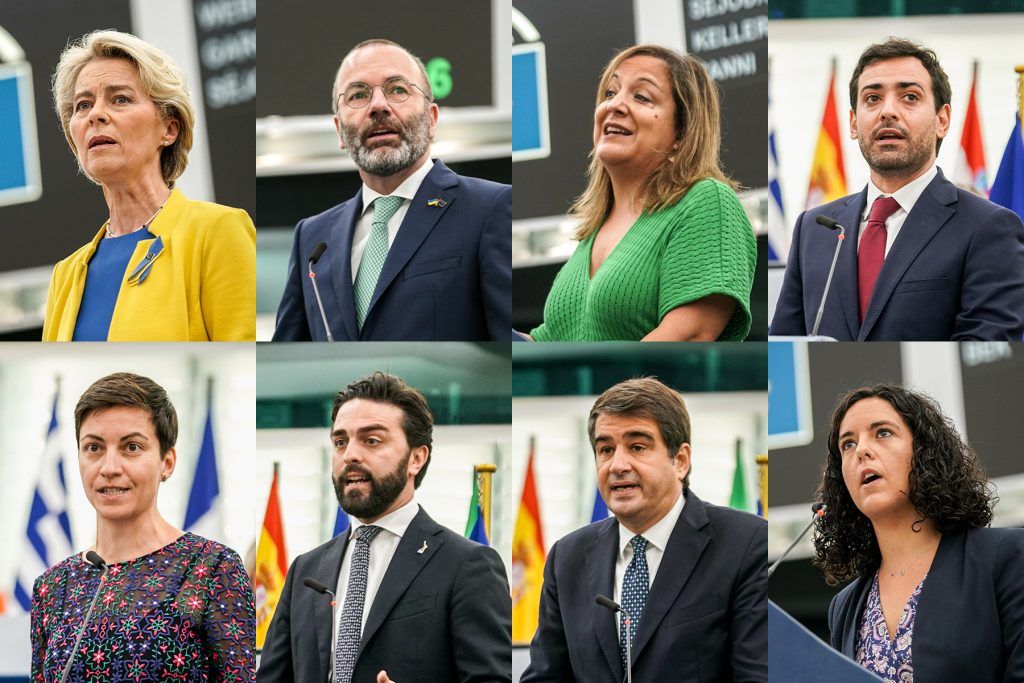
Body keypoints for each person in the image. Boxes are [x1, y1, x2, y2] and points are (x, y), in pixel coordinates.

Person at [257, 372, 511, 682]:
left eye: (371, 440)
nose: (350, 454)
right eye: (340, 442)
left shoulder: (467, 564)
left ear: (416, 458)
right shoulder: (306, 571)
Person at [771, 38, 1024, 341]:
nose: (887, 112)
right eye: (872, 99)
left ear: (942, 120)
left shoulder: (988, 227)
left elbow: (987, 345)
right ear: (853, 123)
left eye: (910, 97)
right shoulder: (814, 228)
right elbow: (785, 344)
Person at [521, 378, 767, 682]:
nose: (617, 465)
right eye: (606, 449)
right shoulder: (567, 557)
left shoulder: (746, 543)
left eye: (637, 447)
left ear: (680, 460)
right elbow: (545, 677)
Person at [272, 39, 511, 342]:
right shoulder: (311, 238)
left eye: (397, 89)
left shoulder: (488, 208)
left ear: (432, 118)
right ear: (339, 131)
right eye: (358, 95)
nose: (378, 106)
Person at [30, 372, 256, 680]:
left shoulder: (213, 568)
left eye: (131, 447)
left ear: (167, 461)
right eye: (94, 448)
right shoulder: (52, 586)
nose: (109, 468)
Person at [526, 45, 756, 342]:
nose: (615, 105)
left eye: (641, 97)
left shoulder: (707, 201)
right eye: (610, 93)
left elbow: (690, 334)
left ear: (681, 133)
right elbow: (552, 339)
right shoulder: (594, 228)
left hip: (630, 388)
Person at [44, 30, 256, 342]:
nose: (96, 115)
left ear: (169, 129)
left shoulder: (217, 231)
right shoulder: (66, 274)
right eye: (83, 104)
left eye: (120, 99)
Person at [814, 384, 1024, 682]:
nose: (861, 450)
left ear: (925, 452)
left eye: (883, 433)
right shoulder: (844, 607)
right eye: (847, 444)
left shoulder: (1007, 559)